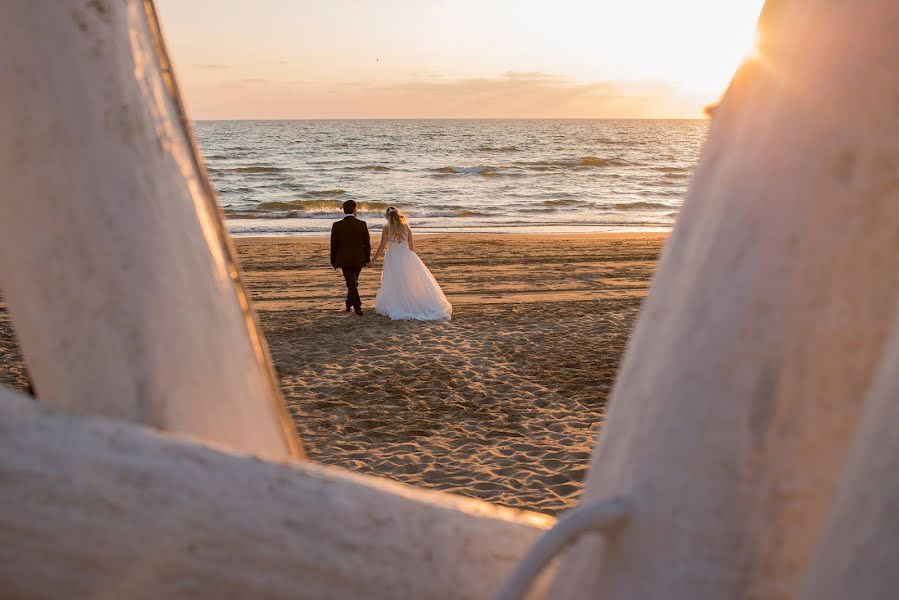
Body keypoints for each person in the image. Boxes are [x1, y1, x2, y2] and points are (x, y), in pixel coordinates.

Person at [370, 206, 452, 321]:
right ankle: (410, 301)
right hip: (406, 256)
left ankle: (398, 302)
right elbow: (411, 246)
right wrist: (412, 260)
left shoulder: (386, 229)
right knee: (408, 280)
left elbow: (382, 246)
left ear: (388, 217)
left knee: (395, 280)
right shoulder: (406, 227)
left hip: (392, 257)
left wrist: (373, 260)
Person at [330, 199, 371, 315]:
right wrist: (367, 258)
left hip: (344, 259)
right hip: (359, 258)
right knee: (352, 282)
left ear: (344, 210)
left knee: (351, 282)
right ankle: (352, 304)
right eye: (356, 208)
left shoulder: (337, 225)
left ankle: (354, 305)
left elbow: (333, 245)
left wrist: (333, 260)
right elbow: (367, 244)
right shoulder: (362, 224)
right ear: (354, 210)